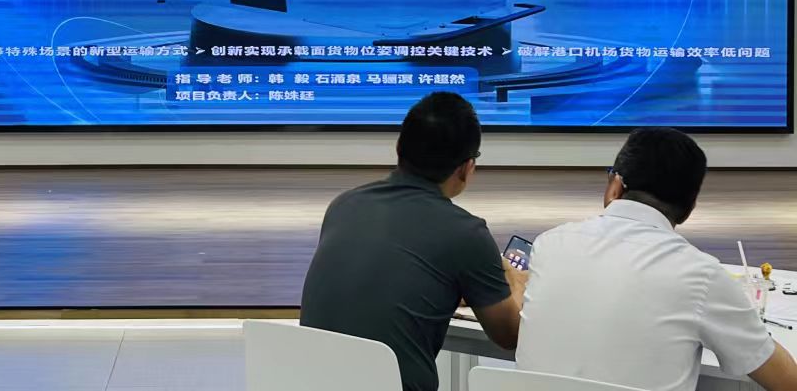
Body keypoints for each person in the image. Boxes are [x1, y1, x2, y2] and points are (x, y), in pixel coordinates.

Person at [517, 127, 797, 391]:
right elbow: (785, 381)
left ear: (615, 186)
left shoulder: (549, 244)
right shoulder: (700, 275)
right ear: (689, 208)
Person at [300, 92, 526, 391]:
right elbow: (509, 335)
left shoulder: (343, 205)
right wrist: (516, 282)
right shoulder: (466, 232)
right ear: (467, 168)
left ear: (398, 148)